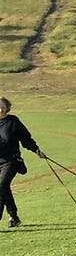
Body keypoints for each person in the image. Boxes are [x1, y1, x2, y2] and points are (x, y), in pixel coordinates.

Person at [0, 97, 45, 228]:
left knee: (1, 187)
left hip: (11, 161)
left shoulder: (13, 121)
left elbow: (25, 138)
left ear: (7, 108)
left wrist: (36, 150)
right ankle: (14, 217)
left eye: (2, 105)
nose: (0, 108)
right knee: (4, 188)